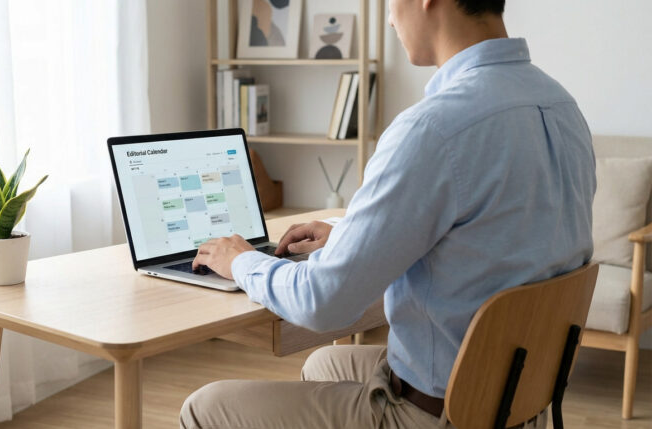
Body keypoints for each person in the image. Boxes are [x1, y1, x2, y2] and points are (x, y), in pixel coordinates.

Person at [183, 0, 595, 427]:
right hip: (516, 396)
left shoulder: (434, 127)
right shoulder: (560, 105)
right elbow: (494, 231)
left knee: (204, 407)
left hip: (442, 413)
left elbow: (322, 302)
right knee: (327, 363)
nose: (389, 16)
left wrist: (241, 261)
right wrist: (349, 233)